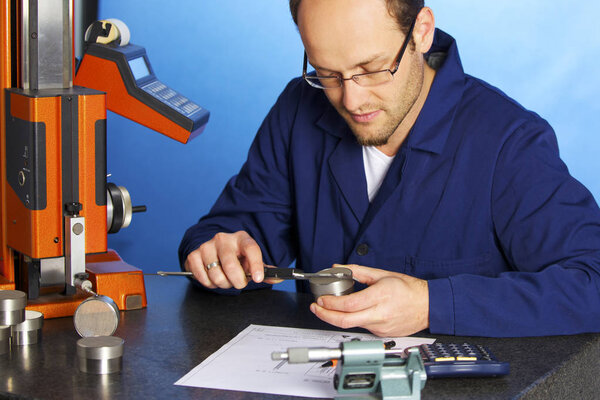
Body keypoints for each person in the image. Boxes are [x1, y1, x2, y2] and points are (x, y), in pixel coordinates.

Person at [179, 0, 600, 337]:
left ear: (421, 30)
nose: (352, 100)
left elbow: (593, 283)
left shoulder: (509, 140)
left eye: (372, 69)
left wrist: (432, 304)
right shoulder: (297, 109)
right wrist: (218, 253)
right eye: (328, 75)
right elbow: (233, 231)